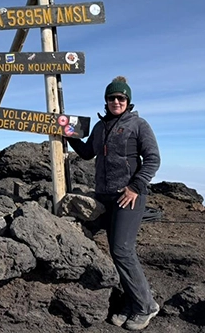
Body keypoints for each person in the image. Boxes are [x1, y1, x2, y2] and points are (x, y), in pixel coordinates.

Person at [66, 76, 161, 330]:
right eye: (112, 98)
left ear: (128, 101)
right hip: (105, 197)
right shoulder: (100, 127)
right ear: (106, 101)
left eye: (121, 98)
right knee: (117, 251)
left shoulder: (138, 125)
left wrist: (135, 187)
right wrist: (67, 134)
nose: (116, 101)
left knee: (122, 251)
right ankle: (132, 301)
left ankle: (146, 306)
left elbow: (153, 159)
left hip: (129, 196)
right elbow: (87, 153)